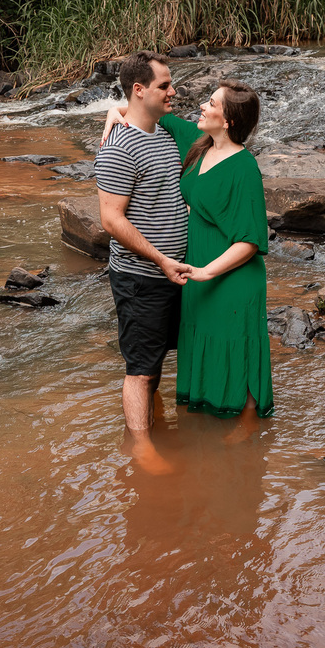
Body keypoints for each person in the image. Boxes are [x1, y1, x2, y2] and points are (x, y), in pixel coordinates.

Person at [104, 80, 273, 419]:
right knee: (204, 343)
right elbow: (145, 112)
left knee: (235, 348)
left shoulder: (244, 169)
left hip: (230, 277)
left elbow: (251, 240)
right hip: (196, 272)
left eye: (211, 104)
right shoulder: (197, 143)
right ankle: (205, 436)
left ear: (228, 121)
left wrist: (207, 271)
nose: (202, 107)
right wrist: (114, 110)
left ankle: (247, 435)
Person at [95, 51, 191, 438]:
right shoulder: (119, 148)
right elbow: (110, 219)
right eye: (165, 86)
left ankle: (154, 423)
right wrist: (161, 260)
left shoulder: (164, 130)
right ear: (139, 89)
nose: (173, 92)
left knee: (155, 361)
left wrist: (116, 109)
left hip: (172, 272)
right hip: (141, 277)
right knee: (140, 369)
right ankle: (141, 450)